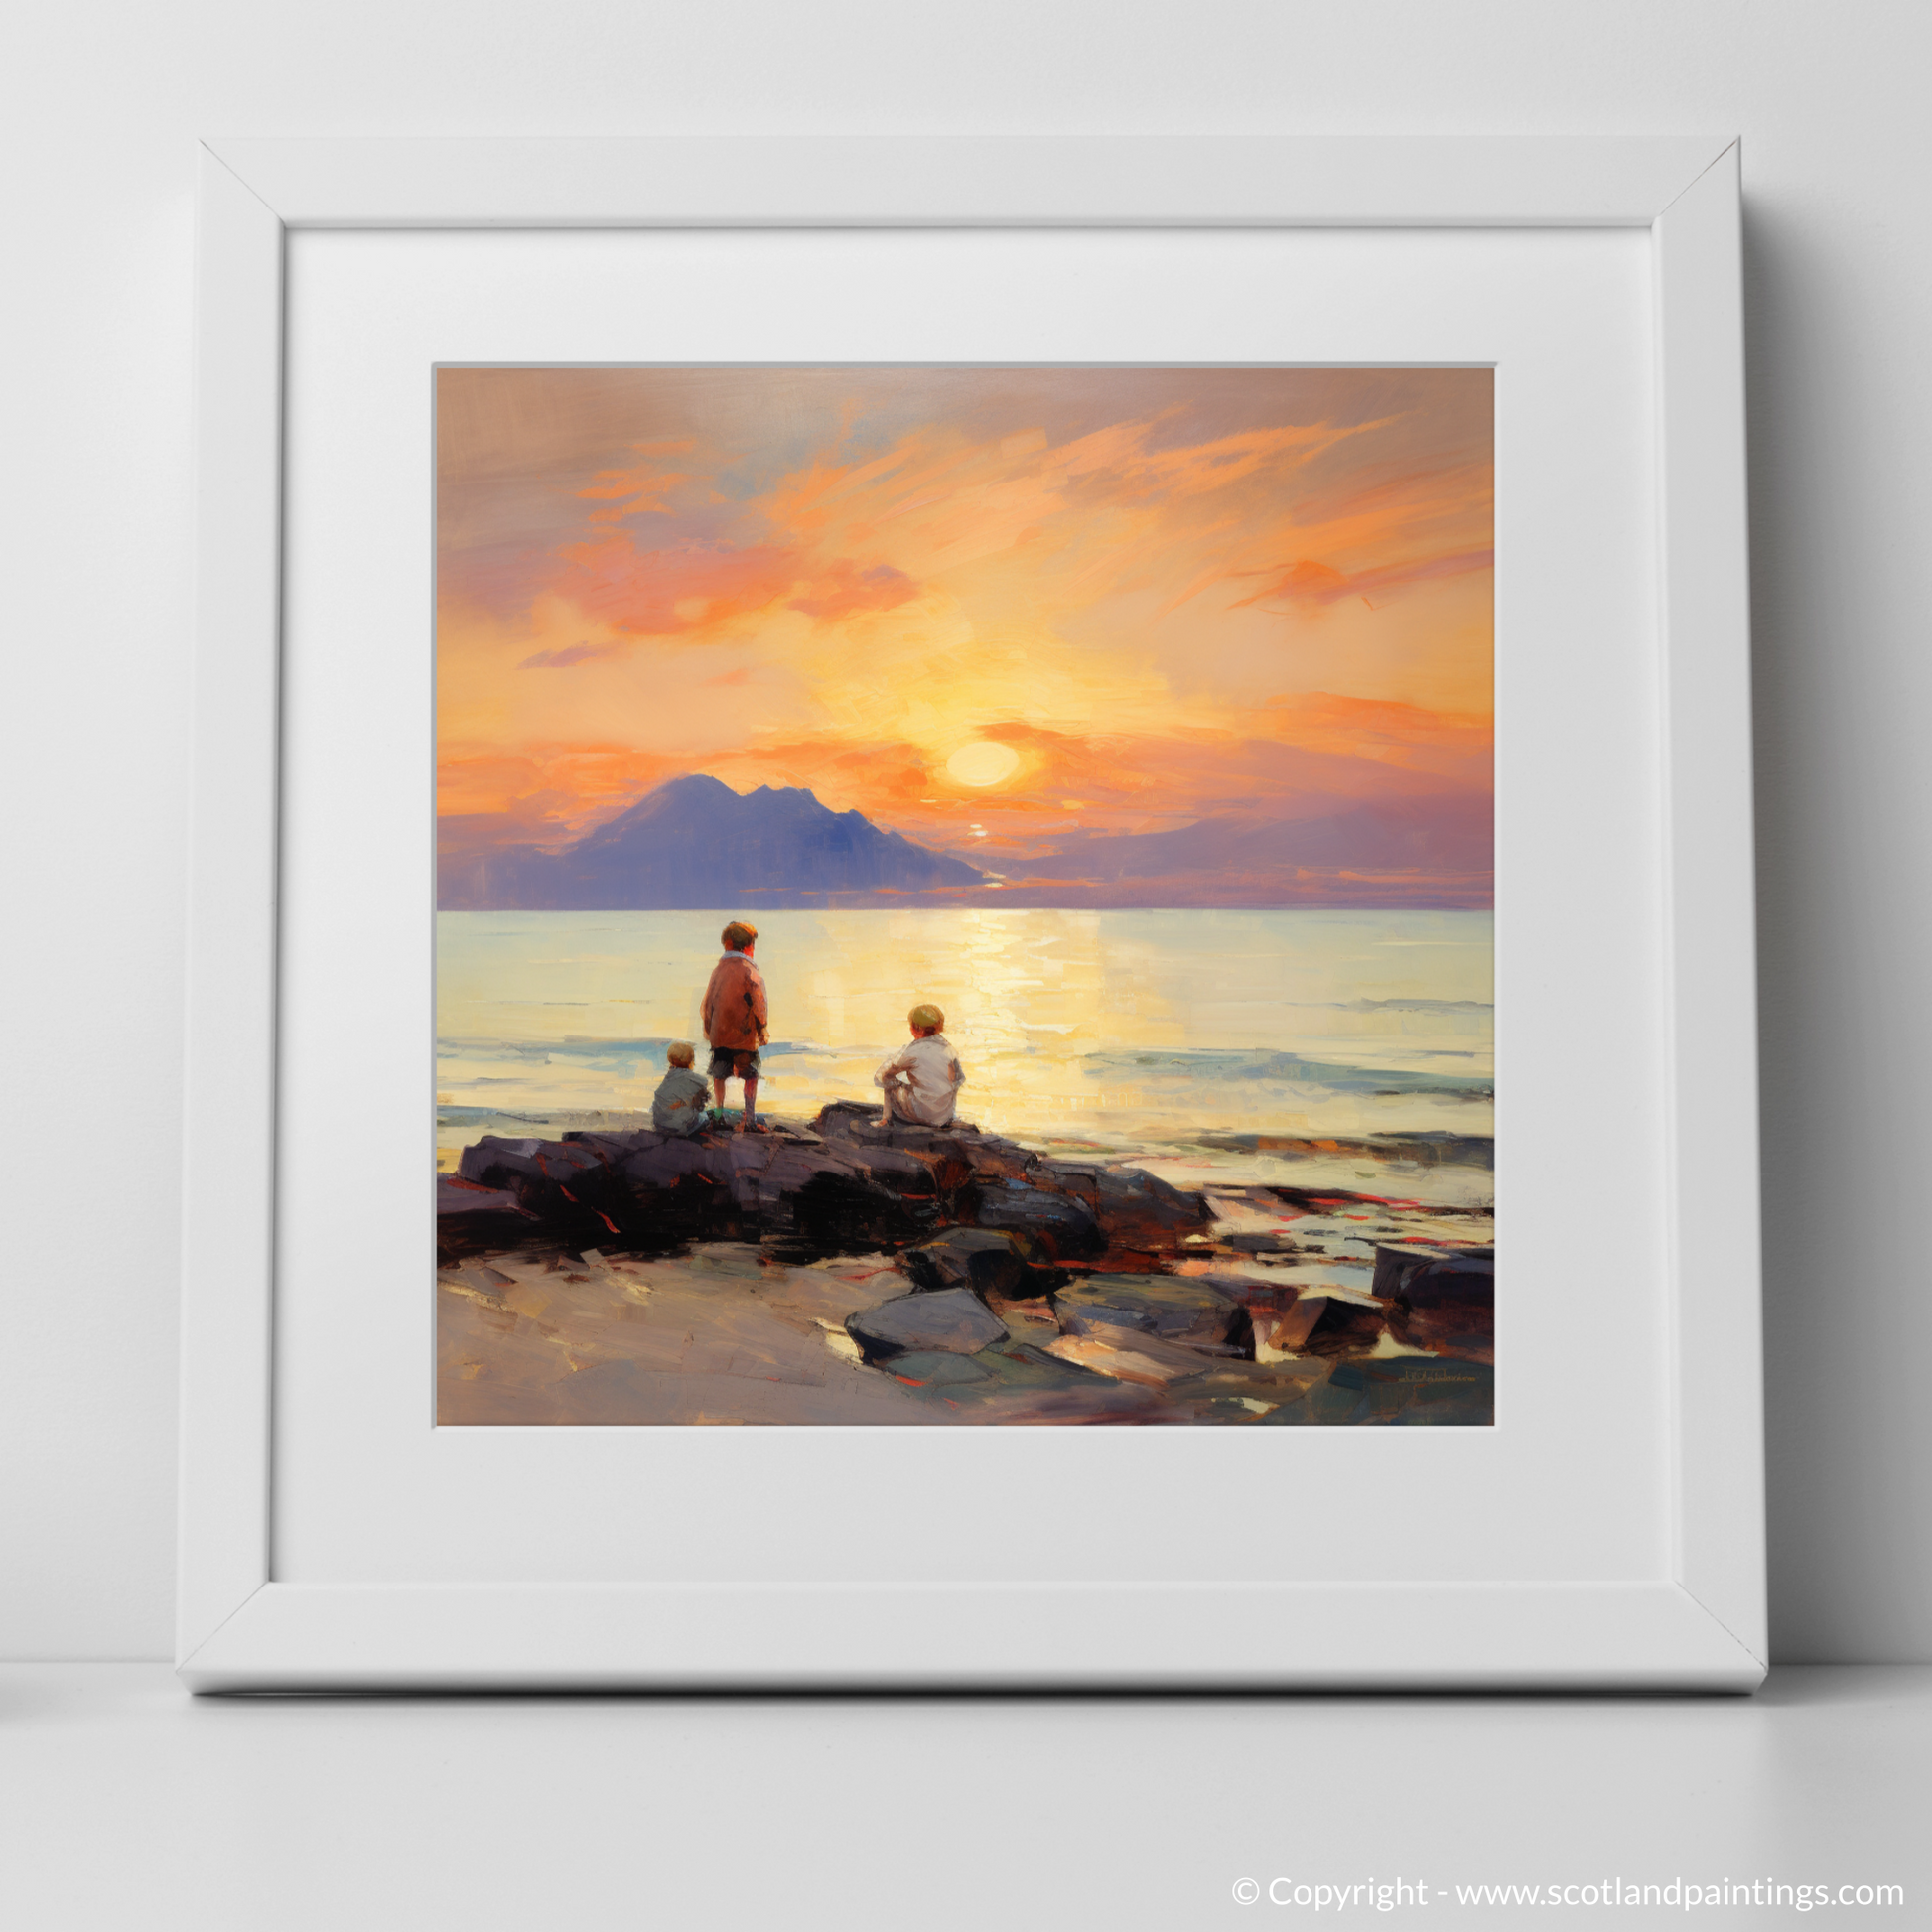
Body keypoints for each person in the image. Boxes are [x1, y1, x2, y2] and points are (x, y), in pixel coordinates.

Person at [700, 919, 769, 1132]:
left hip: (720, 1035)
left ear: (727, 945)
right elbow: (759, 1005)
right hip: (744, 1037)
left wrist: (708, 1027)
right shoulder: (750, 971)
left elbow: (707, 1003)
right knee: (750, 1076)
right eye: (753, 946)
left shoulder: (718, 971)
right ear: (747, 947)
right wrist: (763, 1030)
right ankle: (749, 1120)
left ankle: (719, 1115)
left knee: (719, 1075)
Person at [874, 1003, 965, 1127]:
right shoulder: (949, 1049)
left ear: (916, 1028)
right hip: (944, 1117)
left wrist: (895, 1078)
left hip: (921, 1114)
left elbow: (881, 1077)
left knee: (890, 1082)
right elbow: (959, 1080)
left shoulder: (913, 1050)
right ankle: (950, 1118)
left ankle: (885, 1120)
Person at [650, 1041, 710, 1138]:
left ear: (671, 1061)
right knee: (703, 1117)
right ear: (691, 1062)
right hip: (681, 1127)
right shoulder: (696, 1080)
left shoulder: (668, 1078)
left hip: (660, 1126)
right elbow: (704, 1085)